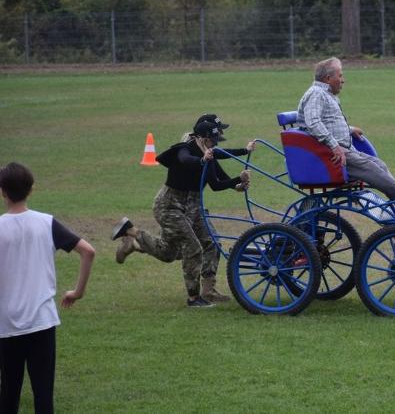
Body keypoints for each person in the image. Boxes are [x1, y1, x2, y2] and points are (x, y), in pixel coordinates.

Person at [111, 115, 255, 308]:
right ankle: (193, 298)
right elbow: (186, 161)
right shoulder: (184, 150)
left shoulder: (210, 153)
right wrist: (202, 160)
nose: (219, 137)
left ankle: (207, 289)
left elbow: (217, 183)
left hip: (193, 208)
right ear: (203, 137)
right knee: (190, 248)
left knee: (201, 245)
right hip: (169, 207)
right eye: (215, 135)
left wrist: (239, 180)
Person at [0, 162, 95, 414]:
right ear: (31, 189)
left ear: (3, 192)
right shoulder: (47, 223)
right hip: (42, 321)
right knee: (43, 396)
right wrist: (78, 292)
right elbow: (88, 251)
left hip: (7, 324)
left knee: (8, 395)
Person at [296, 57, 395, 214]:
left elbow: (326, 122)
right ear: (328, 78)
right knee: (370, 168)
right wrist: (334, 146)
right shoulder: (316, 94)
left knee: (379, 165)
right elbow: (313, 123)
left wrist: (348, 129)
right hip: (330, 154)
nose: (343, 80)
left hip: (340, 149)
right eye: (340, 76)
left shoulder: (325, 94)